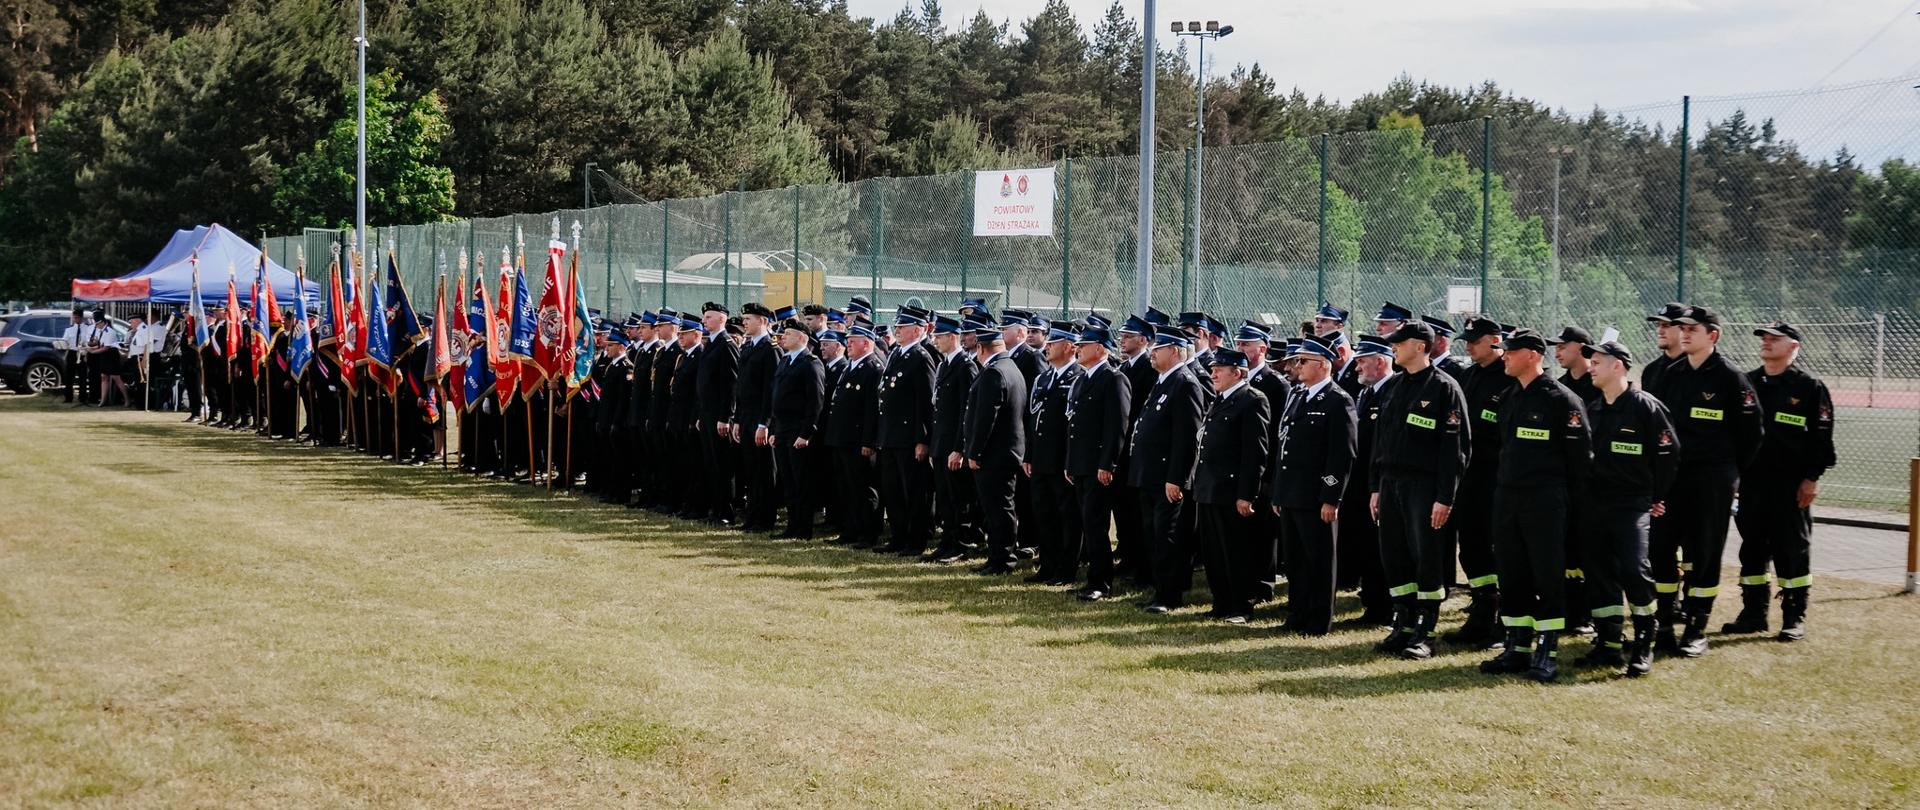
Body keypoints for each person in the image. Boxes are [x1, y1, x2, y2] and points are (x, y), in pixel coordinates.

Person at [1476, 329, 1591, 683]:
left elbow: (1580, 461)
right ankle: (1517, 646)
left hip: (1545, 500)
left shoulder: (1562, 400)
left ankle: (1547, 650)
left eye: (1510, 351)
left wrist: (1567, 506)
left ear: (1532, 355)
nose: (1504, 356)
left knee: (1546, 574)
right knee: (1512, 572)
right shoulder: (1509, 396)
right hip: (1508, 497)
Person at [1655, 305, 1764, 658]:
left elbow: (1751, 435)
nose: (1684, 334)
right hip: (1673, 476)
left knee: (1704, 551)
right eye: (1682, 328)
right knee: (1661, 547)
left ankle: (1696, 628)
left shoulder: (1732, 379)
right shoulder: (1670, 375)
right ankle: (1665, 625)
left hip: (1713, 479)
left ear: (1712, 335)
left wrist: (1729, 473)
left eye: (1693, 329)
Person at [1573, 340, 1678, 677]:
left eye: (1598, 361)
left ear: (1617, 365)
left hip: (1630, 505)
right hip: (1594, 505)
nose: (1591, 367)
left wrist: (1655, 496)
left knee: (1634, 570)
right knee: (1600, 574)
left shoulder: (1646, 408)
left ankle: (1643, 643)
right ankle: (1608, 644)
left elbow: (1669, 455)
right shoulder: (1594, 408)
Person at [1726, 322, 1834, 642]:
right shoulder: (1747, 382)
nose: (1767, 343)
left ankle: (1793, 616)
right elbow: (1734, 432)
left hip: (1790, 484)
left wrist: (1811, 478)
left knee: (1792, 548)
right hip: (1752, 482)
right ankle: (1753, 613)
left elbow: (1821, 438)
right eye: (1765, 339)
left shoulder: (1809, 387)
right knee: (1753, 548)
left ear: (1794, 347)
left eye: (1775, 339)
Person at [1369, 320, 1470, 660]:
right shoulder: (1394, 386)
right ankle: (1403, 623)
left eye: (1399, 342)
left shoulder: (1445, 388)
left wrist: (1445, 496)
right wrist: (1375, 487)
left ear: (1419, 346)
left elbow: (1455, 450)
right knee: (1394, 554)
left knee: (1425, 556)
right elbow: (1379, 441)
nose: (1393, 347)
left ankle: (1425, 630)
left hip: (1424, 486)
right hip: (1391, 483)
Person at [1269, 336, 1356, 636]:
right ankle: (1297, 615)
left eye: (1303, 361)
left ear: (1322, 365)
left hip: (1316, 497)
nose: (1296, 365)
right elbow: (1285, 447)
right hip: (1292, 493)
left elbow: (1341, 455)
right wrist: (1279, 491)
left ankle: (1318, 621)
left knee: (1318, 560)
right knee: (1295, 561)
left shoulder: (1337, 400)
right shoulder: (1298, 395)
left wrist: (1331, 497)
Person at [1192, 347, 1271, 624]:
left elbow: (1255, 453)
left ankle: (1241, 605)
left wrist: (1246, 494)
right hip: (1209, 489)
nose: (1213, 373)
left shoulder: (1252, 400)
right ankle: (1221, 601)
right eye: (1213, 368)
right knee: (1214, 551)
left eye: (1219, 369)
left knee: (1236, 551)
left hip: (1231, 490)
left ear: (1237, 373)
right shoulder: (1220, 399)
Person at [1131, 327, 1206, 613]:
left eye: (1158, 348)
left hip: (1167, 479)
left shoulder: (1185, 383)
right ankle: (1159, 589)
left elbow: (1187, 438)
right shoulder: (1164, 381)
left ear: (1174, 351)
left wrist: (1176, 478)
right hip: (1150, 476)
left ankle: (1169, 595)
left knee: (1168, 537)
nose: (1152, 352)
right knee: (1153, 535)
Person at [1444, 316, 1508, 649]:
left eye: (1474, 340)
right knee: (1471, 550)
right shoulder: (1468, 376)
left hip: (1495, 479)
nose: (1467, 346)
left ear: (1495, 340)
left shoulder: (1508, 378)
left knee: (1497, 551)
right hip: (1467, 478)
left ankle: (1503, 624)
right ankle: (1481, 615)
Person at [1064, 324, 1132, 601]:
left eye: (1084, 344)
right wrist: (1070, 462)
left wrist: (1108, 464)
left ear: (1101, 348)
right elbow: (1074, 427)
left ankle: (1101, 583)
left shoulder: (1113, 379)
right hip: (1080, 464)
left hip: (1098, 467)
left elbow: (1117, 426)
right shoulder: (1082, 379)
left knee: (1096, 525)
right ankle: (1093, 577)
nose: (1078, 348)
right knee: (1087, 523)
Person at [1340, 335, 1396, 626]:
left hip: (1380, 485)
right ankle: (1372, 604)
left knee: (1380, 549)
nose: (1357, 366)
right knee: (1364, 546)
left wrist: (1377, 486)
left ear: (1381, 362)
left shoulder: (1393, 392)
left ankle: (1385, 609)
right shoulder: (1367, 393)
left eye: (1363, 361)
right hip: (1360, 485)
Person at [964, 325, 1028, 575]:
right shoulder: (1011, 368)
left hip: (994, 455)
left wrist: (975, 452)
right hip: (1006, 452)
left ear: (981, 347)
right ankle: (997, 556)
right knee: (999, 508)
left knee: (998, 510)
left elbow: (985, 419)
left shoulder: (994, 373)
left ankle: (1002, 559)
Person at [874, 305, 938, 556]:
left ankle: (916, 541)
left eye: (902, 326)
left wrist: (922, 439)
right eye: (897, 326)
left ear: (918, 330)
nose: (897, 330)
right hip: (890, 435)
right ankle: (898, 538)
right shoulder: (897, 353)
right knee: (893, 491)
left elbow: (926, 403)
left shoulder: (921, 358)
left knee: (914, 492)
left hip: (910, 437)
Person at [1025, 323, 1085, 584]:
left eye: (1055, 342)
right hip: (1040, 458)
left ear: (1070, 346)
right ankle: (1047, 565)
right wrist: (1028, 454)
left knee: (1067, 517)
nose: (1047, 346)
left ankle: (1066, 568)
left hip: (1062, 459)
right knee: (1044, 513)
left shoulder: (1078, 377)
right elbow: (1033, 419)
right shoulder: (1044, 377)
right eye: (1048, 341)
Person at [928, 315, 981, 563]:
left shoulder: (965, 366)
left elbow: (966, 412)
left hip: (954, 446)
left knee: (958, 499)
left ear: (952, 337)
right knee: (945, 498)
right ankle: (947, 542)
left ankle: (960, 544)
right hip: (941, 444)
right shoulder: (944, 365)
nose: (935, 340)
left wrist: (959, 448)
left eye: (939, 336)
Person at [769, 318, 826, 539]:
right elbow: (777, 399)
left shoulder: (810, 362)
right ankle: (792, 525)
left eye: (789, 334)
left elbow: (815, 401)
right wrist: (774, 429)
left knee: (801, 480)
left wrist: (806, 433)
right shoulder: (785, 361)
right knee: (788, 480)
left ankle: (803, 528)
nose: (783, 337)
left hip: (798, 430)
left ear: (802, 338)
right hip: (782, 429)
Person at [827, 326, 884, 547]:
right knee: (847, 487)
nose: (848, 343)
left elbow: (872, 410)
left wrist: (868, 441)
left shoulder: (872, 368)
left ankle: (868, 533)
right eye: (848, 340)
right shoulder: (851, 366)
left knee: (863, 488)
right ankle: (850, 530)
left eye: (853, 340)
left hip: (859, 440)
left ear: (867, 343)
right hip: (842, 438)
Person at [732, 303, 779, 531]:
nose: (744, 323)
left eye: (748, 318)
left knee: (764, 470)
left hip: (761, 419)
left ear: (762, 320)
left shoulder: (771, 349)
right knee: (750, 469)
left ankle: (765, 518)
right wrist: (738, 420)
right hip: (747, 417)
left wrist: (765, 423)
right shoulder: (748, 346)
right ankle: (752, 517)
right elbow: (742, 388)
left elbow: (771, 390)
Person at [695, 303, 739, 525]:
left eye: (709, 317)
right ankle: (715, 508)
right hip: (707, 413)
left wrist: (726, 417)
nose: (704, 321)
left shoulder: (726, 345)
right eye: (704, 317)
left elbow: (731, 385)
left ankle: (725, 512)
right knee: (711, 463)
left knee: (722, 464)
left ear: (721, 319)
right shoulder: (710, 344)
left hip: (720, 416)